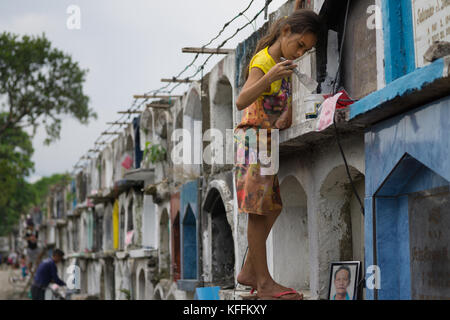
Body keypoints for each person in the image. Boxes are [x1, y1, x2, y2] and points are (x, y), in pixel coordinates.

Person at [234, 9, 322, 300]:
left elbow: (274, 107)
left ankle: (250, 271)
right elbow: (242, 99)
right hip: (253, 139)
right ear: (285, 32)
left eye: (306, 50)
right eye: (299, 45)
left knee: (273, 207)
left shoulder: (282, 63)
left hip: (265, 140)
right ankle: (264, 282)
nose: (300, 53)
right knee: (259, 212)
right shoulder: (263, 62)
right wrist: (269, 75)